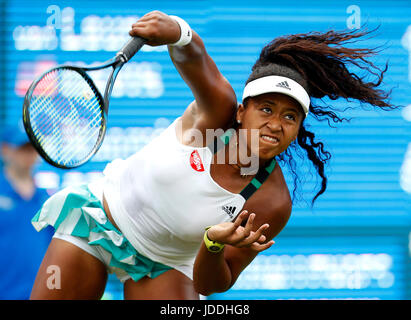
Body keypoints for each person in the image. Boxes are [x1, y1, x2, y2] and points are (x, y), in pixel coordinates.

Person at [29, 11, 397, 299]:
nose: (275, 123)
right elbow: (195, 58)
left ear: (298, 128)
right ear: (241, 111)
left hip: (167, 265)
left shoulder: (272, 201)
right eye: (266, 109)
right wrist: (177, 30)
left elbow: (217, 282)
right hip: (100, 220)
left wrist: (213, 244)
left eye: (290, 116)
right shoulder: (215, 113)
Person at [0, 122, 52, 299]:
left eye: (32, 148)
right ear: (5, 150)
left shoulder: (48, 200)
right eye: (22, 148)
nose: (29, 154)